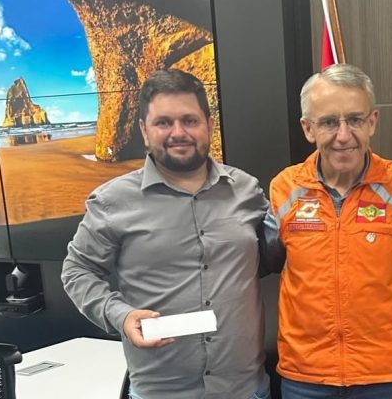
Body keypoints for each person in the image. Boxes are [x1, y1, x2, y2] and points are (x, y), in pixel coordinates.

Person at [61, 69, 270, 399]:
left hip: (245, 390)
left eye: (189, 120)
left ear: (209, 125)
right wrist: (120, 315)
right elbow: (77, 270)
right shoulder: (112, 201)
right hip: (160, 391)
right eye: (163, 122)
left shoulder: (246, 190)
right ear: (144, 131)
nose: (178, 132)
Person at [261, 63, 392, 399]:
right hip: (306, 377)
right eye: (329, 122)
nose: (343, 135)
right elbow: (268, 260)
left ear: (372, 122)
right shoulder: (284, 189)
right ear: (308, 128)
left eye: (355, 120)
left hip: (389, 379)